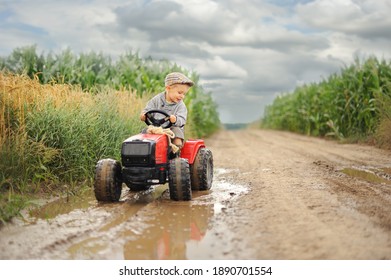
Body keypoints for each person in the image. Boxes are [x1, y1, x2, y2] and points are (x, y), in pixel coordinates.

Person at [140, 72, 194, 150]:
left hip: (172, 128)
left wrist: (175, 119)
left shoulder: (180, 106)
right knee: (144, 133)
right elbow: (148, 110)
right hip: (156, 128)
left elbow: (182, 120)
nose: (182, 96)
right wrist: (143, 115)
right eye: (179, 93)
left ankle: (176, 153)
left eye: (184, 94)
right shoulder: (156, 100)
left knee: (177, 133)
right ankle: (144, 153)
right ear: (168, 88)